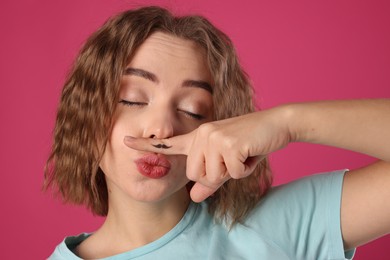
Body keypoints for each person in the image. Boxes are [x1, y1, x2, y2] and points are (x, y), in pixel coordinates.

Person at [44, 6, 390, 259]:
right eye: (132, 100)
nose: (162, 127)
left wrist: (288, 122)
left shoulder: (274, 228)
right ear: (88, 112)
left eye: (192, 110)